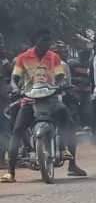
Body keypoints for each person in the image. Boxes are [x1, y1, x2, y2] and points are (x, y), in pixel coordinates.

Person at [3, 29, 87, 182]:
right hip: (29, 100)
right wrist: (16, 89)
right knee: (17, 130)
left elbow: (60, 75)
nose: (47, 43)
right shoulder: (23, 58)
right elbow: (15, 78)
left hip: (51, 99)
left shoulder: (53, 57)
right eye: (44, 40)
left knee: (68, 123)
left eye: (49, 40)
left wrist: (60, 84)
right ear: (36, 41)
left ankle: (72, 163)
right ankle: (11, 172)